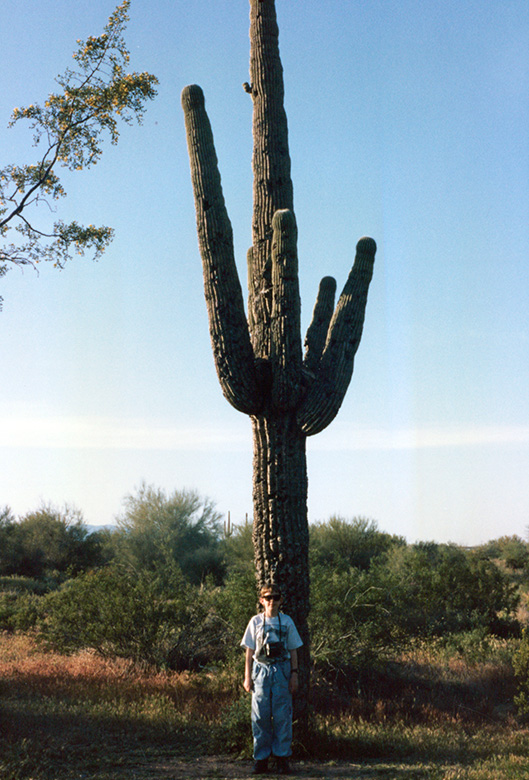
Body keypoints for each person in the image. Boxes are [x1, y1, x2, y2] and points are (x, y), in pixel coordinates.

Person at [241, 583, 303, 775]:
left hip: (282, 670)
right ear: (262, 600)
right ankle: (261, 759)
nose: (272, 601)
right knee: (260, 716)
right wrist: (247, 676)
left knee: (282, 716)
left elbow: (293, 649)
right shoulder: (255, 622)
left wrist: (294, 674)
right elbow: (249, 650)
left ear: (280, 600)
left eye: (275, 597)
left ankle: (282, 758)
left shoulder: (287, 622)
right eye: (268, 598)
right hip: (260, 670)